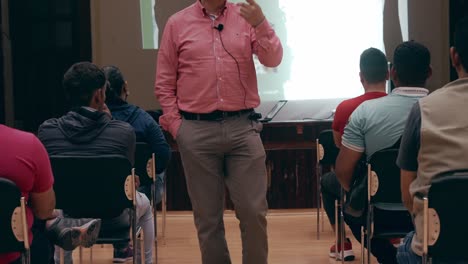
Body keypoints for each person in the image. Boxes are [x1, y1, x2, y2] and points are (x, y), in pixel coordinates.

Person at [155, 0, 282, 263]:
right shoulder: (177, 23)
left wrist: (260, 23)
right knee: (208, 219)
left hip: (242, 127)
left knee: (253, 211)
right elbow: (164, 82)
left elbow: (273, 59)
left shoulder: (247, 16)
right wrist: (178, 127)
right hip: (196, 131)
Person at [38, 62, 154, 264]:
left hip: (67, 216)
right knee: (145, 206)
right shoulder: (123, 132)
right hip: (114, 219)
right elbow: (128, 180)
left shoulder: (48, 131)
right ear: (99, 95)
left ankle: (63, 257)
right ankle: (147, 261)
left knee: (59, 205)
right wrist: (108, 122)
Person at [332, 41, 432, 264]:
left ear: (393, 72)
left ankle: (390, 258)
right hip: (434, 212)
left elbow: (343, 172)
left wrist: (367, 193)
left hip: (381, 213)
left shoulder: (365, 112)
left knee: (352, 210)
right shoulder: (445, 109)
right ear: (429, 73)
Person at [396, 17, 468, 263]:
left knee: (405, 247)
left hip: (435, 249)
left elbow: (407, 193)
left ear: (454, 56)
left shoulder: (423, 109)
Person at [322, 47, 388, 261]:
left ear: (361, 77)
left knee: (328, 182)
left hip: (360, 183)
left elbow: (339, 145)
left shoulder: (346, 108)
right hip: (397, 182)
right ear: (388, 74)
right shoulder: (402, 107)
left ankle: (343, 243)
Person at [0, 125, 101, 264]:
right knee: (38, 221)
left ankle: (60, 229)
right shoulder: (28, 145)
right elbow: (44, 211)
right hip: (15, 253)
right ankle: (60, 229)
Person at [103, 65, 171, 204]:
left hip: (98, 190)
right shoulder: (144, 119)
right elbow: (163, 156)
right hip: (140, 191)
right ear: (125, 88)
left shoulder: (89, 120)